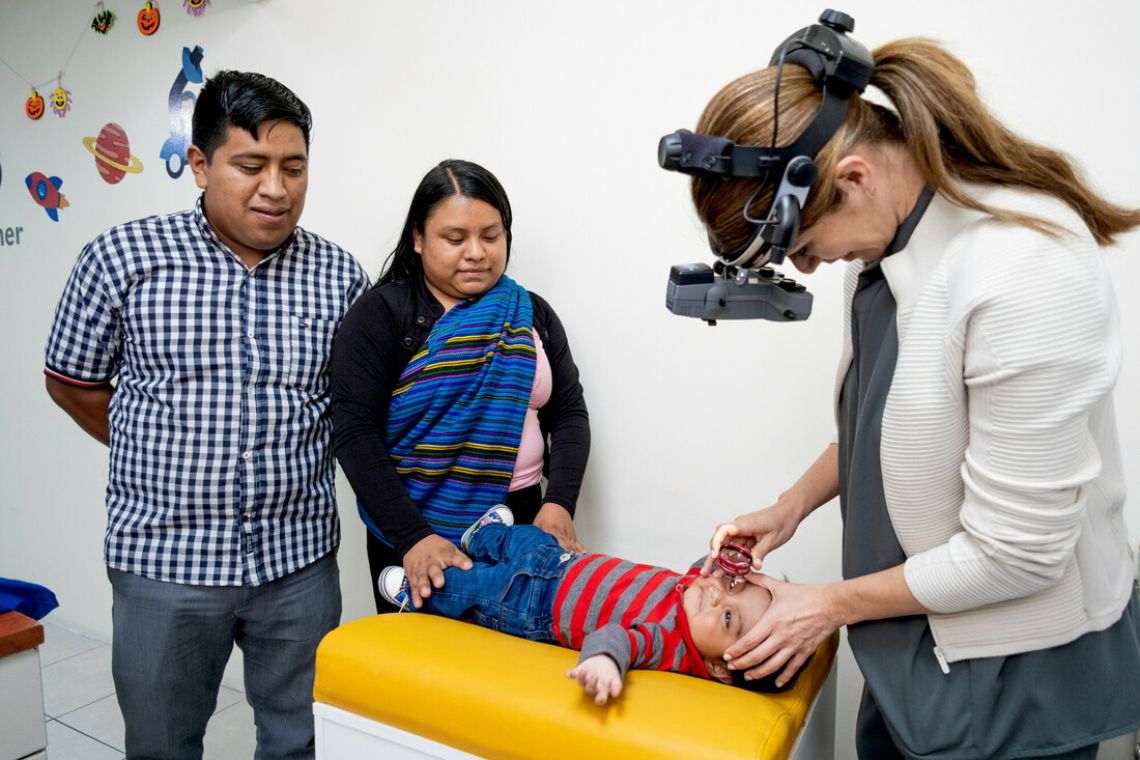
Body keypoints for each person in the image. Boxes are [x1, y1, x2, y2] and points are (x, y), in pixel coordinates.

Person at [679, 23, 1140, 760]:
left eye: (803, 248)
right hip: (909, 646)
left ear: (855, 177)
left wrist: (824, 606)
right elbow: (884, 428)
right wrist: (790, 506)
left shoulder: (1024, 272)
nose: (811, 268)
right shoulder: (886, 255)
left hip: (1007, 681)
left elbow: (1017, 555)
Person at [43, 70, 369, 759]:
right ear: (200, 163)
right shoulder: (121, 258)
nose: (276, 188)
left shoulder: (340, 276)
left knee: (301, 743)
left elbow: (351, 407)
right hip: (164, 561)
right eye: (251, 165)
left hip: (299, 563)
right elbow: (71, 382)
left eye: (294, 168)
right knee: (162, 745)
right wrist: (153, 447)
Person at [331, 159, 590, 612]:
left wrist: (559, 505)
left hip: (524, 520)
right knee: (423, 655)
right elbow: (355, 433)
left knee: (521, 644)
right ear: (418, 238)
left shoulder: (530, 312)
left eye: (491, 236)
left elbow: (568, 413)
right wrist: (413, 537)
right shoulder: (381, 314)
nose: (476, 252)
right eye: (455, 239)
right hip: (415, 531)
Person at [377, 505, 793, 704]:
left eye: (728, 616)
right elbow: (711, 567)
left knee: (478, 588)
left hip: (533, 604)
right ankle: (482, 537)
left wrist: (605, 662)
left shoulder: (670, 641)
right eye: (733, 586)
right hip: (560, 561)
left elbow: (620, 639)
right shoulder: (697, 589)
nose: (718, 593)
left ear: (720, 669)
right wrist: (737, 557)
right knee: (522, 538)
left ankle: (420, 594)